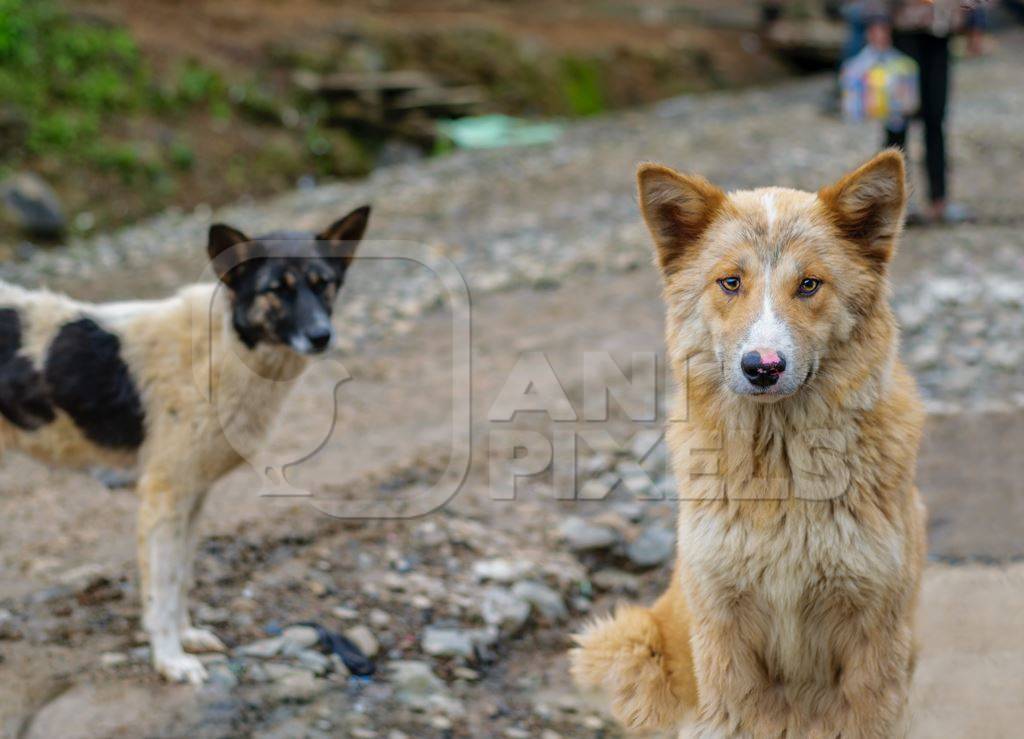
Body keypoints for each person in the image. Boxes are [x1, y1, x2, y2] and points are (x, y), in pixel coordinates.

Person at [876, 0, 986, 224]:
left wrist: (976, 23)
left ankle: (940, 201)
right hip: (904, 31)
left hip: (941, 31)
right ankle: (893, 204)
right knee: (898, 120)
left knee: (936, 118)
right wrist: (877, 22)